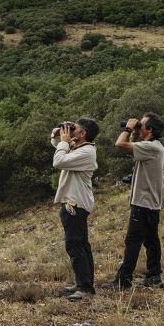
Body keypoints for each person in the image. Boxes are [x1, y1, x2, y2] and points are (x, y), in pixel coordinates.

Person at [106, 113, 164, 290]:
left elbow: (120, 144)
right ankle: (154, 276)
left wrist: (128, 128)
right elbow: (133, 144)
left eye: (142, 125)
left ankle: (123, 280)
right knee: (151, 241)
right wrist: (136, 131)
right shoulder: (154, 146)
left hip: (143, 203)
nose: (138, 127)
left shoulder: (151, 147)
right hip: (151, 203)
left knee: (132, 241)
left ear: (149, 130)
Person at [51, 118, 99, 301]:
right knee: (82, 244)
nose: (71, 130)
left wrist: (64, 142)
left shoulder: (86, 152)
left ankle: (85, 288)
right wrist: (59, 134)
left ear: (83, 134)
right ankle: (84, 282)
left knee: (74, 245)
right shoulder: (78, 147)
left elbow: (58, 161)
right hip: (76, 202)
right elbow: (55, 144)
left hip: (75, 204)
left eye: (75, 128)